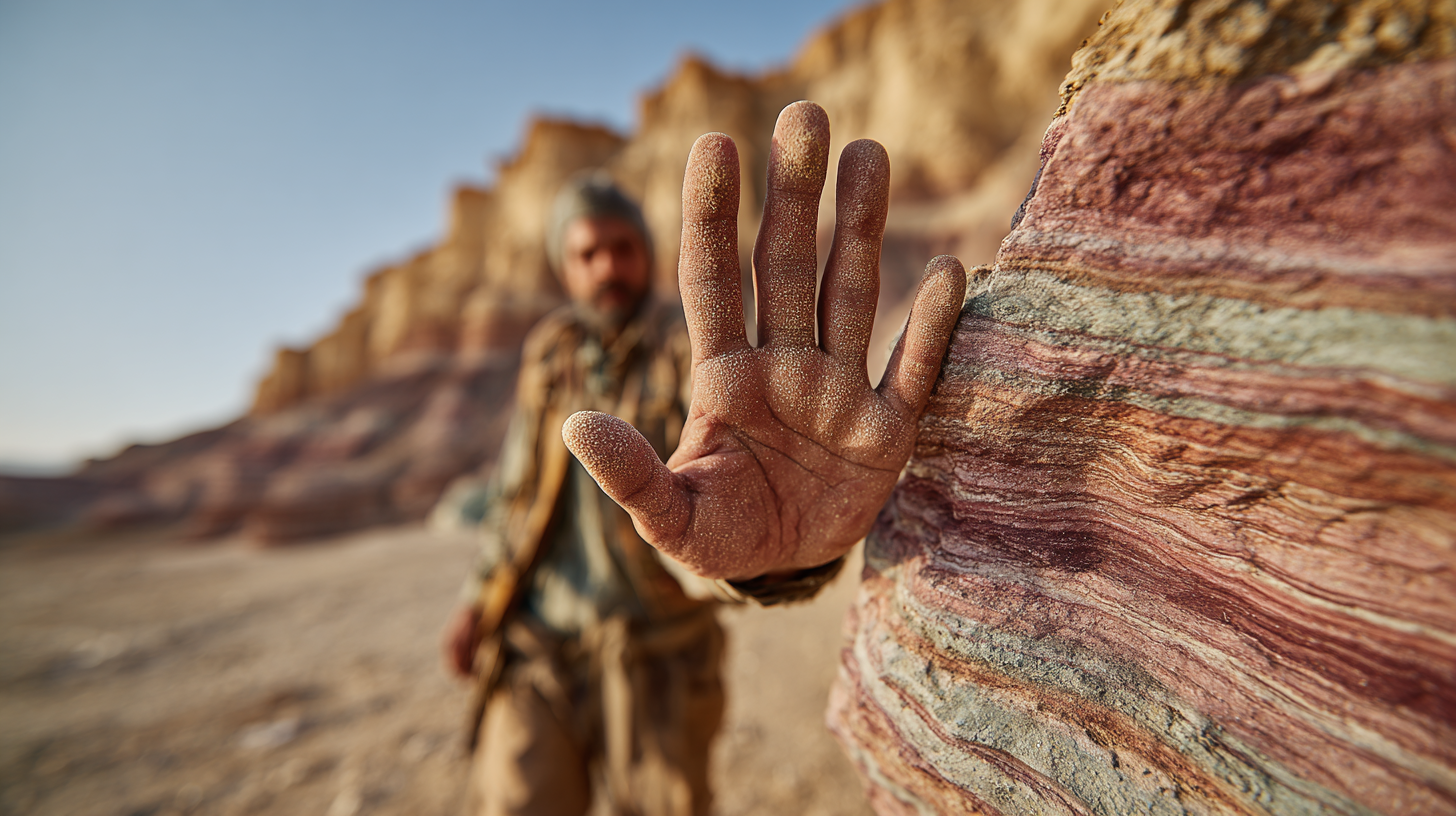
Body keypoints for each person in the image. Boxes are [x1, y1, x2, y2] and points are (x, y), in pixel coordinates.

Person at [442, 101, 965, 816]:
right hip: (539, 638)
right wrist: (481, 599)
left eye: (622, 248)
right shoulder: (548, 355)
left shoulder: (692, 350)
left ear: (646, 253)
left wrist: (780, 555)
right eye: (586, 254)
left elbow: (718, 507)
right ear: (564, 267)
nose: (607, 268)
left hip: (660, 650)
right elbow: (515, 491)